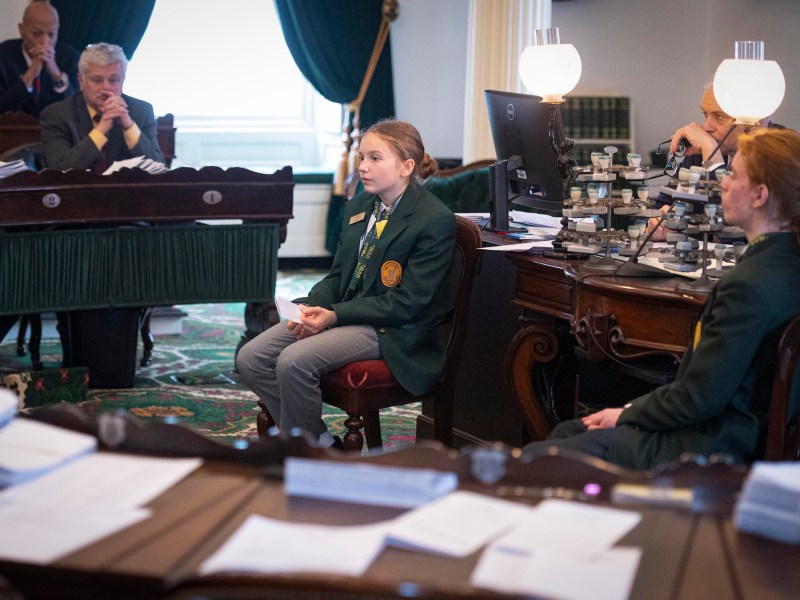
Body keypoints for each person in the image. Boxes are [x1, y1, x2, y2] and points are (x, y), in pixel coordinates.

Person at [523, 128, 800, 470]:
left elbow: (698, 399)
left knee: (543, 456)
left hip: (710, 444)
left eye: (733, 175)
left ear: (760, 195)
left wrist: (626, 413)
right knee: (568, 430)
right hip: (736, 434)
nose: (723, 182)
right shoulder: (784, 266)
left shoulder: (747, 286)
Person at [236, 119, 456, 448]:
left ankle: (304, 457)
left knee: (294, 361)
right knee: (251, 357)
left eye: (375, 158)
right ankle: (321, 444)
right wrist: (310, 306)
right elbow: (339, 274)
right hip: (349, 312)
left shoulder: (433, 219)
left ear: (406, 166)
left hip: (394, 330)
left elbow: (407, 303)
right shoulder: (361, 204)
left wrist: (334, 315)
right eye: (362, 157)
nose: (363, 167)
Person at [39, 42, 164, 172]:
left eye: (113, 80)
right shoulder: (56, 115)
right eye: (97, 80)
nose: (106, 87)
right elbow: (59, 171)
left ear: (123, 80)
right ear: (81, 81)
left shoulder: (141, 111)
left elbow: (158, 168)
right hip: (79, 192)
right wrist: (101, 129)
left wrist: (128, 125)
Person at [0, 1, 79, 117]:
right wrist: (30, 75)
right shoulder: (3, 55)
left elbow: (76, 111)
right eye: (36, 34)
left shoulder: (70, 58)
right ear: (21, 29)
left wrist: (56, 75)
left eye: (51, 35)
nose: (44, 42)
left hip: (56, 132)